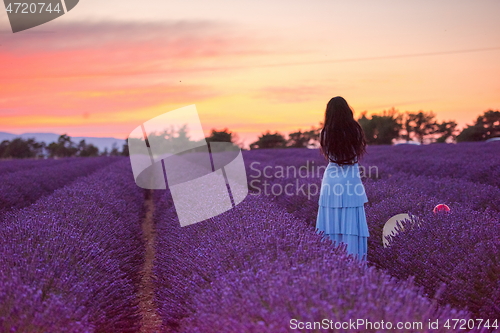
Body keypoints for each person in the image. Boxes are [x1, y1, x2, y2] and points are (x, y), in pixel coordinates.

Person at [315, 96, 369, 261]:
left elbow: (329, 155)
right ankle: (354, 260)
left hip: (331, 181)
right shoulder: (356, 130)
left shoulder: (325, 133)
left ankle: (333, 262)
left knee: (330, 222)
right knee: (351, 222)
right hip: (350, 180)